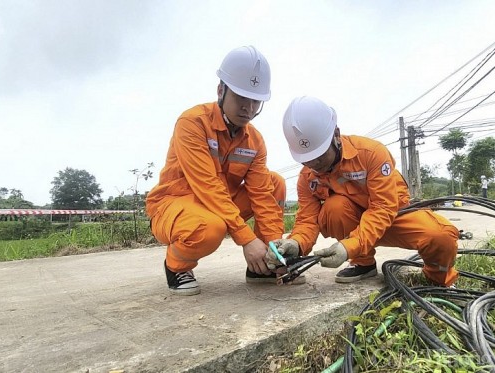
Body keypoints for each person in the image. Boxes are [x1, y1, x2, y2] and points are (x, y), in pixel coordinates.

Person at [267, 96, 460, 287]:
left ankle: (438, 281)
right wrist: (296, 243)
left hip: (394, 216)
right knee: (335, 208)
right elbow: (307, 219)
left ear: (336, 134)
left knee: (440, 236)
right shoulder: (307, 178)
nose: (313, 164)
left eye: (319, 155)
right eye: (306, 159)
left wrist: (348, 246)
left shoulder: (371, 153)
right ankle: (363, 263)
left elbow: (383, 207)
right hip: (357, 225)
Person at [146, 46, 289, 296]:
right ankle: (176, 265)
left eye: (256, 100)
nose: (249, 107)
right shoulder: (192, 123)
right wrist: (246, 239)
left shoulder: (255, 141)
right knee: (209, 228)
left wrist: (273, 247)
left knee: (274, 183)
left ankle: (262, 267)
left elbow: (263, 198)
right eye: (242, 97)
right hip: (176, 205)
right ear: (221, 91)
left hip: (218, 205)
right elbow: (208, 186)